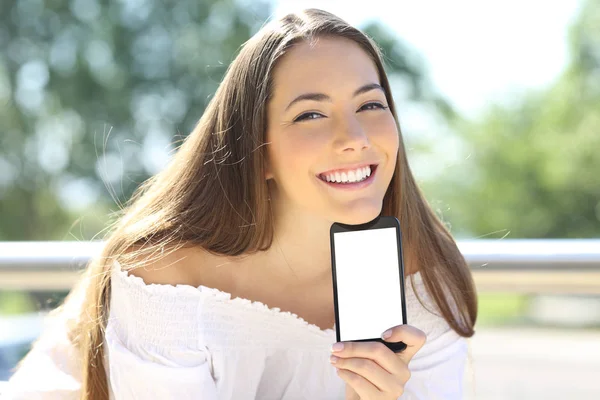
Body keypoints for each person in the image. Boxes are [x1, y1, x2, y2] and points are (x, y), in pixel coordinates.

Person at [4, 8, 477, 400]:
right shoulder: (167, 277)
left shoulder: (423, 274)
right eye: (310, 114)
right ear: (258, 151)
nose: (353, 139)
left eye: (371, 106)